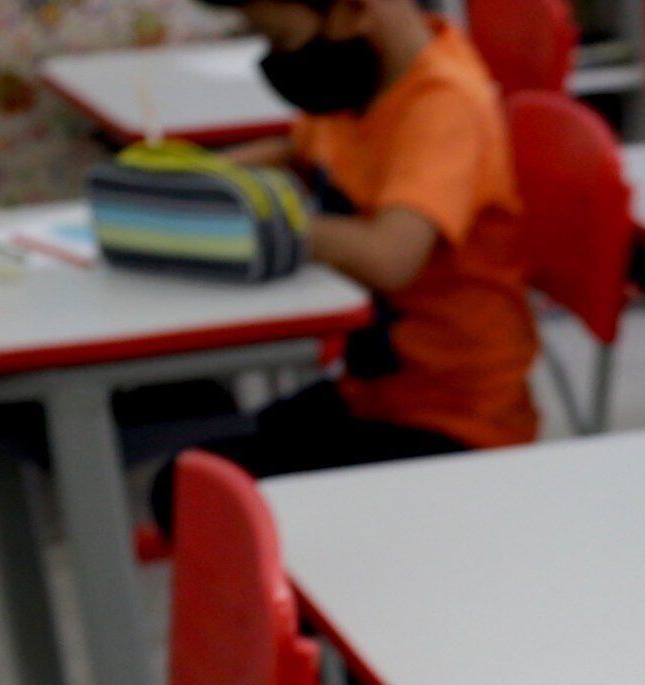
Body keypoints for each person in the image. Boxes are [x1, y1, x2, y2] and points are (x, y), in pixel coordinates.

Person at [188, 0, 541, 473]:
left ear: (356, 12)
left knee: (199, 491)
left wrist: (258, 220)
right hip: (373, 392)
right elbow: (298, 153)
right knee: (193, 473)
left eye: (282, 40)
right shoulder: (361, 85)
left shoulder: (444, 104)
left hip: (456, 421)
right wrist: (191, 183)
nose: (276, 56)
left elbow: (389, 256)